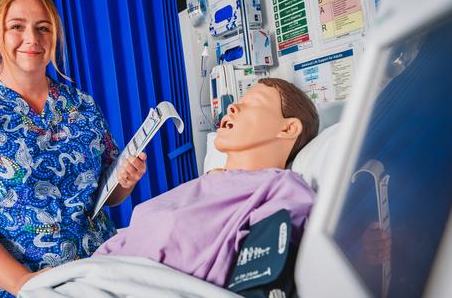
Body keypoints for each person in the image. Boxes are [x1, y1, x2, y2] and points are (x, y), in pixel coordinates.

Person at [0, 0, 147, 298]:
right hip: (20, 285)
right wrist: (25, 284)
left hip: (98, 275)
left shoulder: (81, 105)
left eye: (43, 28)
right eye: (17, 26)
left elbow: (106, 196)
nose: (32, 39)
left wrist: (127, 180)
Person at [91, 78, 320, 287]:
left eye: (254, 103)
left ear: (288, 128)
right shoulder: (204, 184)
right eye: (239, 101)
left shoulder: (278, 187)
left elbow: (274, 260)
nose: (231, 107)